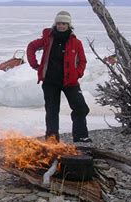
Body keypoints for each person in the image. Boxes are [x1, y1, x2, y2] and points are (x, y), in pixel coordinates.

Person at [26, 11, 92, 143]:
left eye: (64, 24)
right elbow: (31, 47)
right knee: (52, 110)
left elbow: (82, 61)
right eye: (59, 23)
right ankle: (52, 139)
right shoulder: (48, 38)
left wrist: (78, 73)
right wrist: (35, 65)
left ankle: (80, 136)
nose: (61, 26)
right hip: (50, 81)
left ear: (69, 25)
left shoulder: (76, 42)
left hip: (70, 82)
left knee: (81, 107)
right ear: (55, 24)